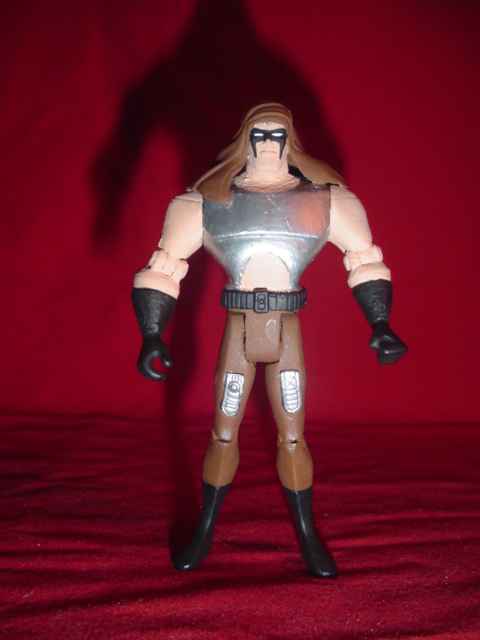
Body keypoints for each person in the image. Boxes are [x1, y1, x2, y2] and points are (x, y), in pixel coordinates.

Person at [132, 103, 407, 577]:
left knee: (293, 435)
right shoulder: (208, 202)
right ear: (245, 138)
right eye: (258, 134)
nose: (266, 144)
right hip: (239, 329)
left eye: (276, 135)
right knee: (223, 429)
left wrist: (380, 322)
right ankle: (204, 530)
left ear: (290, 141)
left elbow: (364, 260)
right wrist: (152, 332)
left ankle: (307, 534)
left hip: (286, 328)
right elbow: (164, 267)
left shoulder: (325, 201)